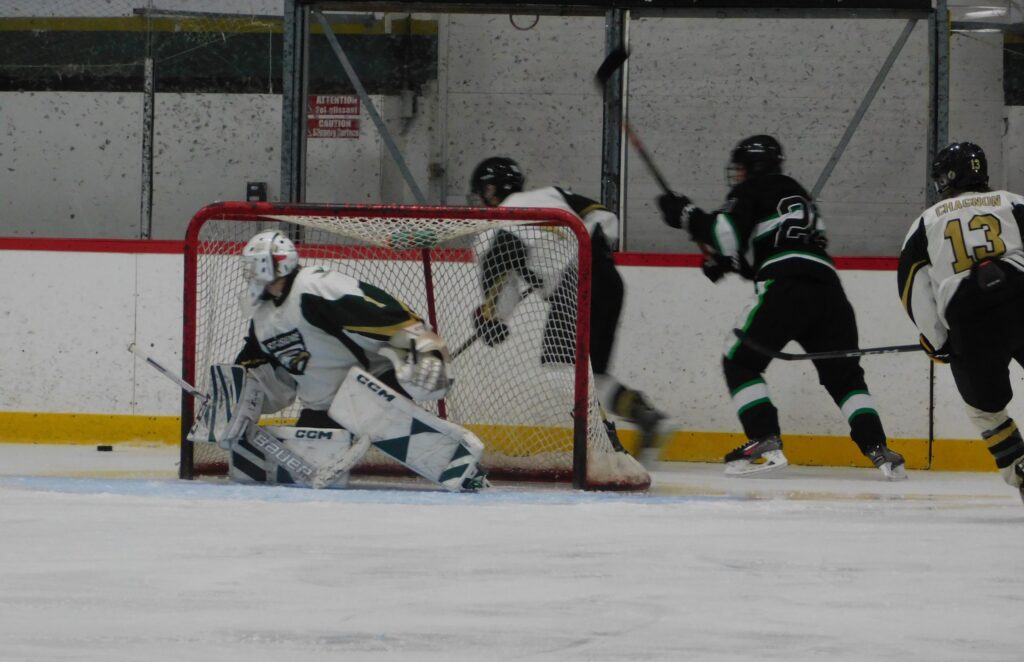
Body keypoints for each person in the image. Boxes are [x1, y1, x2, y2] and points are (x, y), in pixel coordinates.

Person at [657, 134, 906, 479]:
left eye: (742, 168)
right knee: (845, 377)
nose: (739, 176)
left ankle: (764, 439)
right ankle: (880, 450)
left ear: (754, 168)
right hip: (830, 292)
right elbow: (769, 247)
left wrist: (686, 215)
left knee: (739, 360)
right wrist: (729, 263)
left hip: (787, 287)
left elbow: (726, 233)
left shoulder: (754, 188)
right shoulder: (797, 195)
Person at [225, 229, 487, 490]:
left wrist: (420, 342)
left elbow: (376, 306)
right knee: (301, 475)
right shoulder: (262, 317)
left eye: (256, 266)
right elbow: (254, 363)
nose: (251, 274)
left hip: (371, 387)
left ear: (279, 264)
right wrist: (232, 398)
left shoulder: (314, 286)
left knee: (413, 385)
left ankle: (465, 469)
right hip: (323, 408)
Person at [468, 156, 667, 463]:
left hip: (571, 290)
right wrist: (583, 248)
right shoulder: (553, 195)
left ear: (490, 191)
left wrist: (489, 320)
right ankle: (644, 416)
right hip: (608, 279)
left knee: (562, 370)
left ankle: (606, 444)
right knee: (593, 375)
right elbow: (606, 218)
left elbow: (500, 290)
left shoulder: (494, 228)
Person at [898, 141, 1024, 499]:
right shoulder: (1013, 203)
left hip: (969, 320)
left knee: (986, 409)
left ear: (949, 177)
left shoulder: (925, 222)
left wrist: (937, 341)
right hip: (1020, 299)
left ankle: (1020, 469)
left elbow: (914, 291)